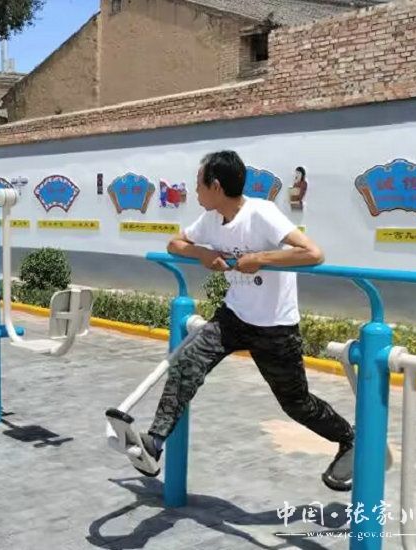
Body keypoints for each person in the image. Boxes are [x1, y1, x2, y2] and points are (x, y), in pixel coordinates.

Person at [137, 151, 355, 492]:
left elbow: (313, 253)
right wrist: (202, 253)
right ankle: (154, 441)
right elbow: (175, 243)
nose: (195, 191)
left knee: (296, 404)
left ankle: (349, 440)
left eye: (199, 184)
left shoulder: (261, 212)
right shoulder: (210, 219)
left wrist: (261, 258)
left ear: (216, 186)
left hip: (275, 327)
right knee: (187, 363)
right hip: (233, 316)